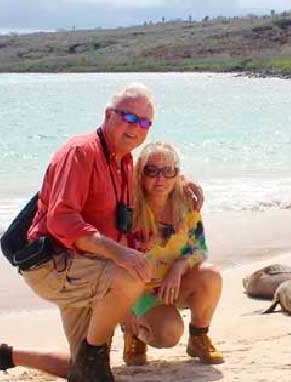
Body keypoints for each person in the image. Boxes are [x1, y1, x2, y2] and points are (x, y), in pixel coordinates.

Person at [18, 83, 202, 382]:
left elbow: (153, 179)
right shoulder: (81, 152)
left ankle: (4, 355)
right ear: (108, 115)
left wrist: (181, 180)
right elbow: (61, 220)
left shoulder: (123, 161)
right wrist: (120, 253)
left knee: (82, 367)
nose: (136, 128)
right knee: (130, 273)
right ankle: (94, 357)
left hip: (87, 269)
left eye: (144, 123)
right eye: (129, 117)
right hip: (54, 264)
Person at [122, 141, 223, 366]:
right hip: (138, 291)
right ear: (140, 172)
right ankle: (133, 331)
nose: (161, 178)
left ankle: (199, 338)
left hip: (174, 285)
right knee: (167, 336)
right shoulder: (128, 206)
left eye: (168, 171)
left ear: (177, 173)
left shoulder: (187, 203)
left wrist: (178, 268)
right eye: (152, 170)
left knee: (211, 276)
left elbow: (199, 249)